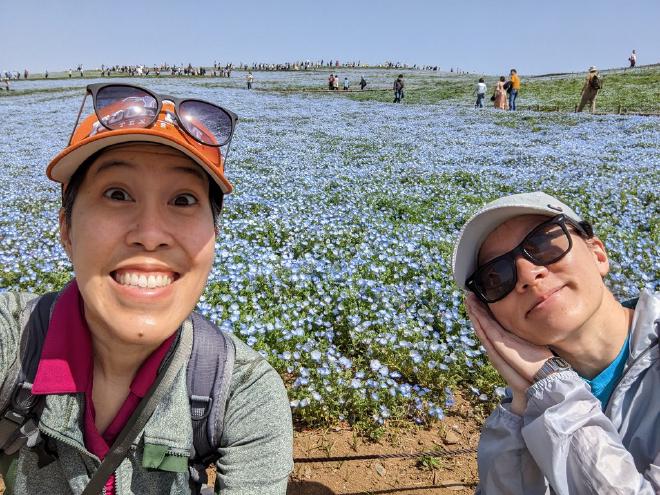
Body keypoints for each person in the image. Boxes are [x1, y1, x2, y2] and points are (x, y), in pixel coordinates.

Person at [0, 83, 293, 494]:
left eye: (184, 200)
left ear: (214, 233)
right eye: (117, 194)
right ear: (66, 228)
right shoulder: (14, 344)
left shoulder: (243, 392)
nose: (151, 234)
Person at [452, 191, 659, 494]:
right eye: (496, 276)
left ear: (598, 254)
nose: (528, 274)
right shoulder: (515, 421)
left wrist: (550, 387)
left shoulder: (548, 394)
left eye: (543, 244)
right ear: (491, 316)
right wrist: (526, 404)